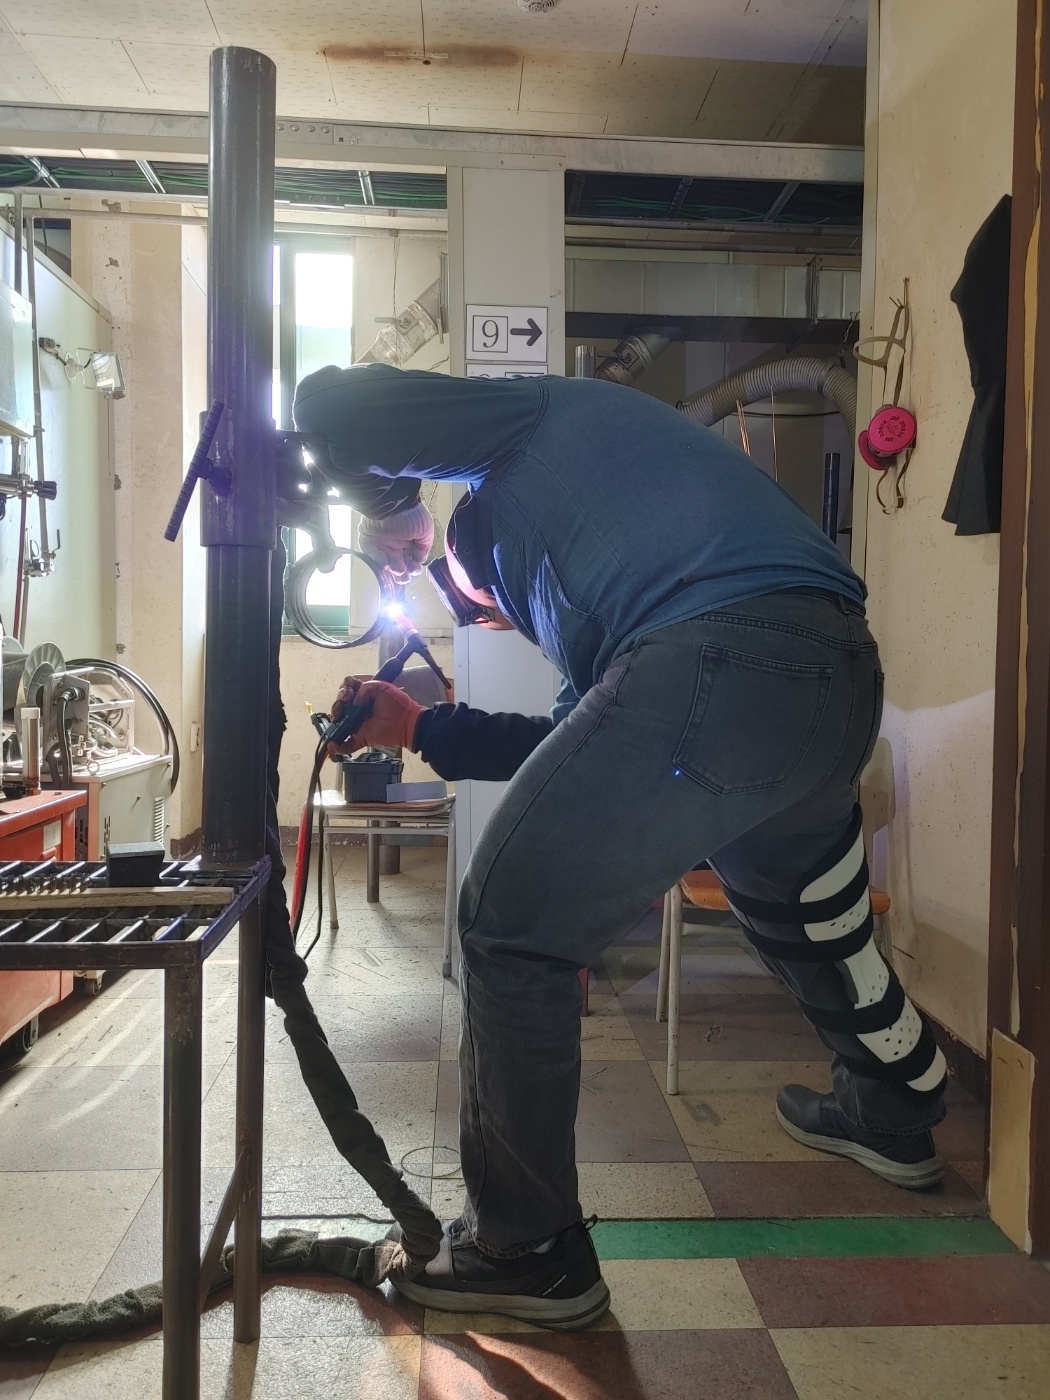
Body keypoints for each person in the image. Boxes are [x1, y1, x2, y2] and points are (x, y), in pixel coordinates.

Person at [292, 361, 948, 1331]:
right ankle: (892, 1107)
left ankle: (524, 1249)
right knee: (808, 916)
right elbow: (574, 743)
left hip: (715, 657)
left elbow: (329, 405)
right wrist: (421, 726)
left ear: (469, 546)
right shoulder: (612, 545)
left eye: (481, 601)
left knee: (512, 927)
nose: (491, 615)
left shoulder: (518, 434)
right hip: (836, 666)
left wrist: (392, 514)